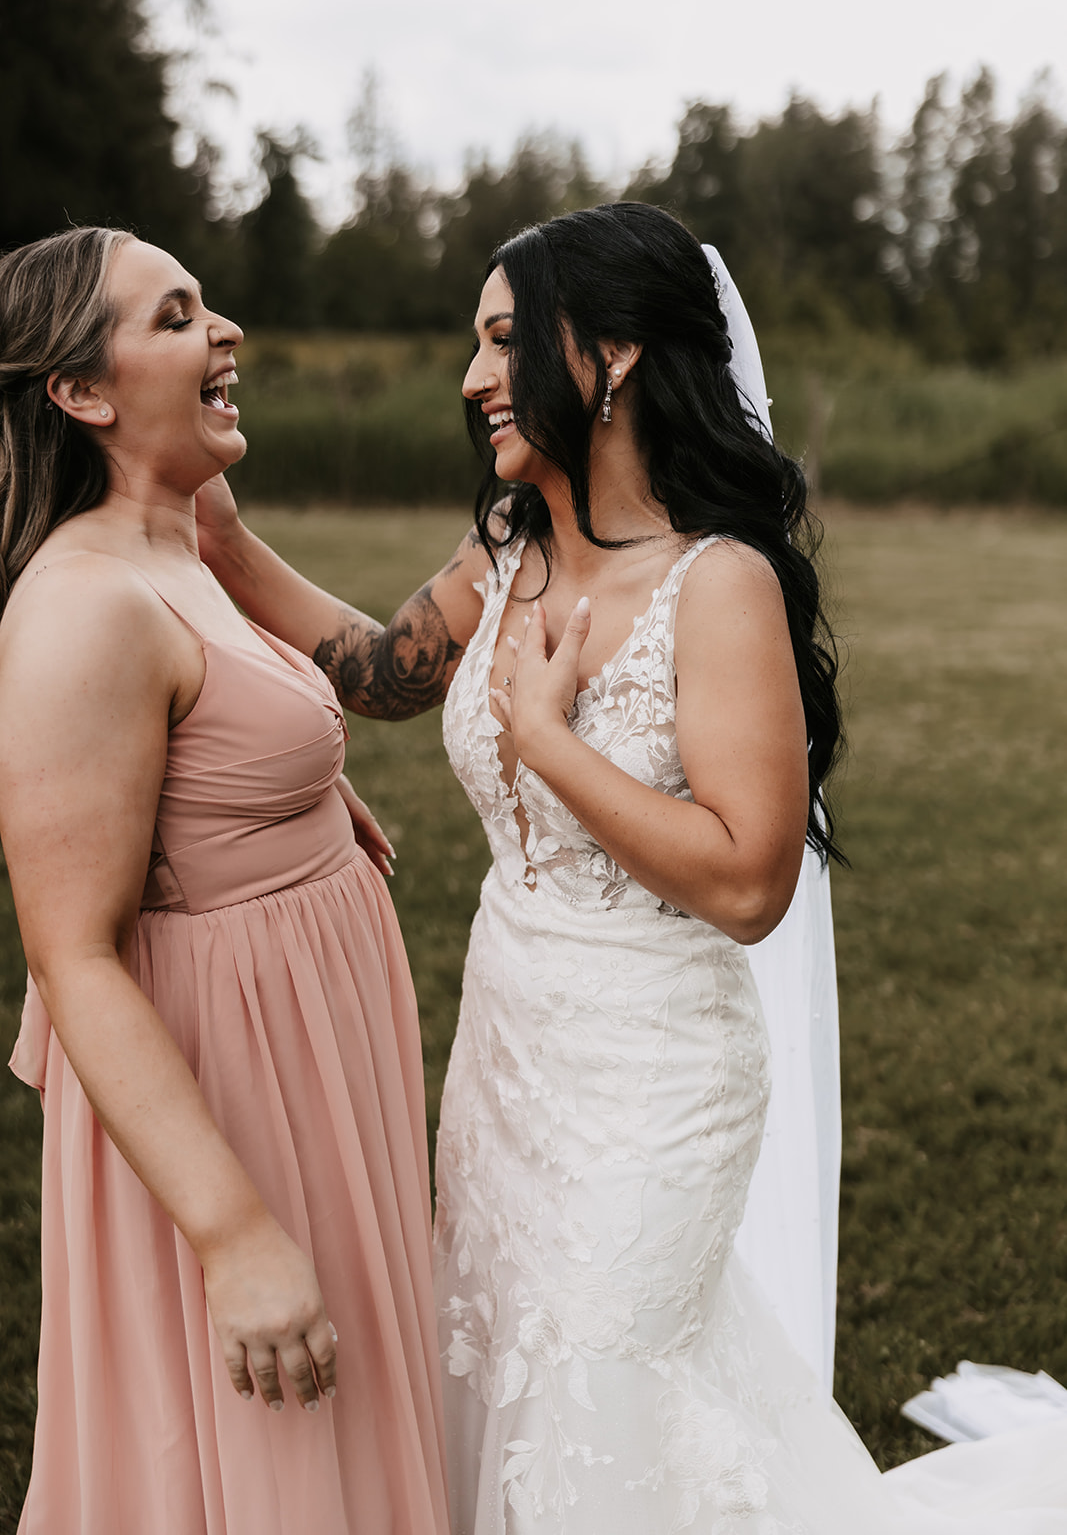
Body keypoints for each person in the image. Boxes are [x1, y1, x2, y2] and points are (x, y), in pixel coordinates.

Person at [196, 202, 1067, 1532]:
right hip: (507, 1057)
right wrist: (222, 544)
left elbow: (746, 881)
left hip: (657, 1082)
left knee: (599, 1373)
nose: (473, 377)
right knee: (507, 1368)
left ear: (609, 359)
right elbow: (382, 675)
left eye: (502, 341)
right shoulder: (507, 549)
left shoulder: (719, 587)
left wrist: (547, 740)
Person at [0, 227, 449, 1535]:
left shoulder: (180, 543)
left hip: (309, 1045)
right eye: (178, 315)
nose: (226, 332)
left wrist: (302, 797)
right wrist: (236, 1236)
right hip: (232, 1082)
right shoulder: (82, 606)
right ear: (83, 393)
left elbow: (228, 723)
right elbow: (72, 953)